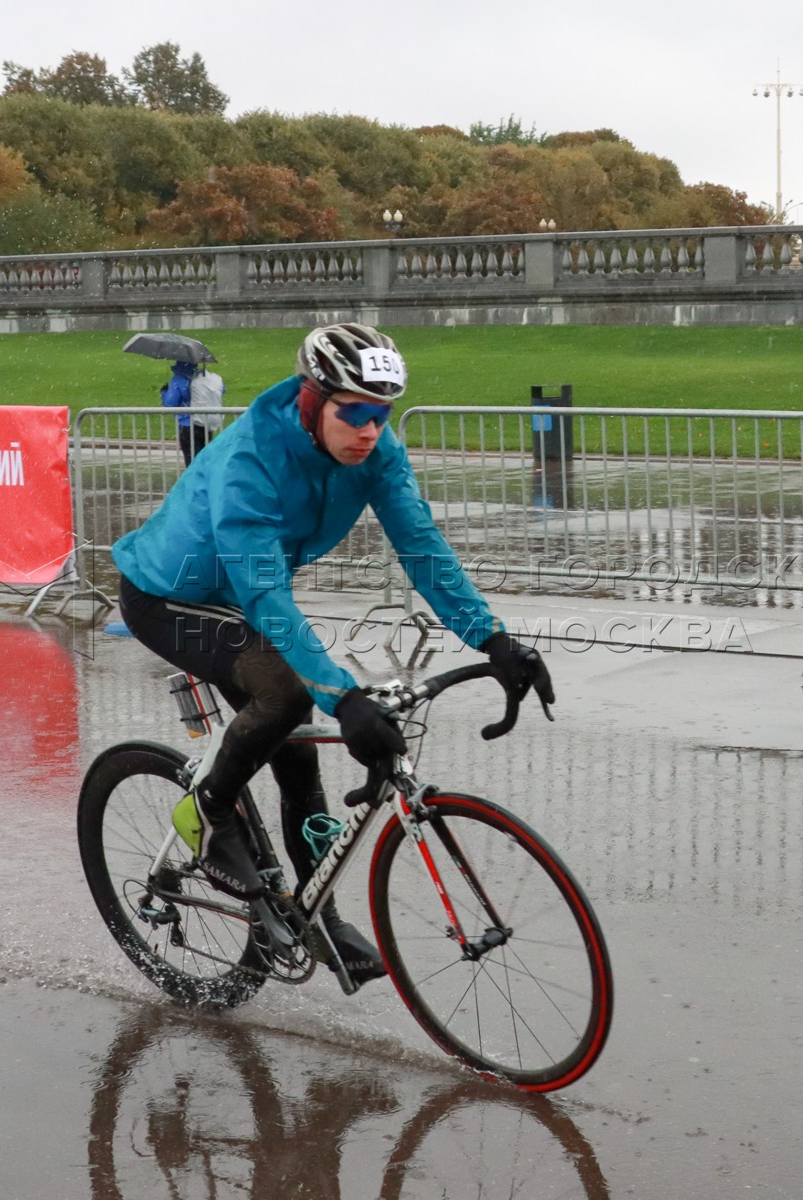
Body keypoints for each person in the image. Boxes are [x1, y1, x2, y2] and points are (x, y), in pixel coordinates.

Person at [111, 323, 553, 986]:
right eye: (356, 413)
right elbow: (264, 593)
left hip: (240, 596)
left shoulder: (376, 450)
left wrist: (493, 640)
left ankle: (318, 917)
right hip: (167, 595)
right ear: (311, 399)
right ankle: (205, 813)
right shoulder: (251, 460)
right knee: (287, 694)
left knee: (297, 759)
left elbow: (421, 547)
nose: (371, 430)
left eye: (383, 414)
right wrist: (343, 697)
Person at [159, 359, 208, 465]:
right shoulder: (202, 377)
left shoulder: (178, 379)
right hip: (205, 424)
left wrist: (164, 392)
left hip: (187, 425)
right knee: (203, 461)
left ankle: (193, 476)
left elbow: (170, 403)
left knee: (191, 462)